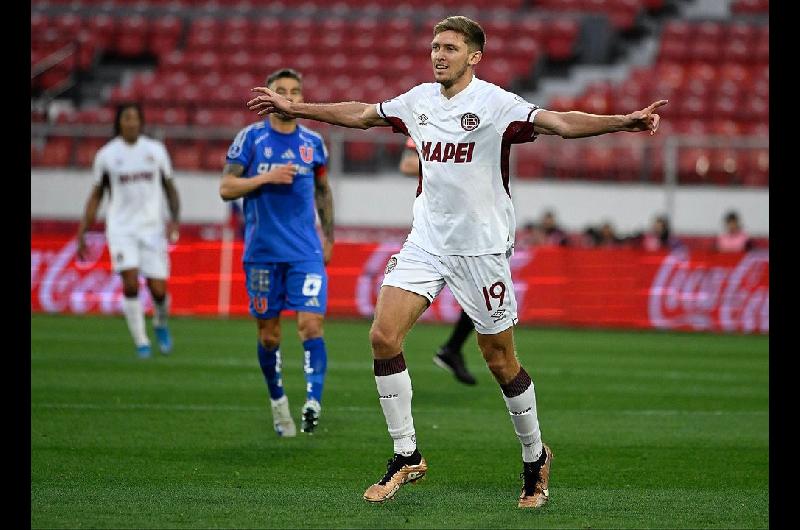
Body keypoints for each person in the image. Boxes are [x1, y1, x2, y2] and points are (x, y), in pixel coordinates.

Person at [247, 15, 665, 508]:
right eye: (434, 47)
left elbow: (558, 122)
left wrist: (623, 121)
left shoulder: (496, 104)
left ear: (474, 56)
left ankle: (534, 456)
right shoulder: (418, 100)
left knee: (499, 359)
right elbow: (361, 113)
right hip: (427, 240)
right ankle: (406, 455)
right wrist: (294, 107)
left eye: (449, 47)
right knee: (383, 337)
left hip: (481, 249)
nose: (438, 54)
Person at [220, 68, 334, 437]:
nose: (288, 96)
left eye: (294, 91)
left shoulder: (314, 143)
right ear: (267, 97)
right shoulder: (250, 140)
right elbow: (226, 187)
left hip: (305, 252)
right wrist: (264, 178)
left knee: (311, 325)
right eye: (280, 90)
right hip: (262, 252)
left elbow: (323, 192)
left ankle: (313, 402)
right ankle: (278, 401)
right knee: (269, 336)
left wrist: (328, 237)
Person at [76, 103, 180, 359]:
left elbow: (169, 187)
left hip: (152, 229)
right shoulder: (107, 155)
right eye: (126, 118)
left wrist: (175, 220)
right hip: (121, 229)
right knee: (130, 283)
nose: (131, 122)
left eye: (135, 118)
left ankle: (160, 324)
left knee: (159, 291)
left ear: (142, 122)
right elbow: (97, 194)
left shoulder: (155, 151)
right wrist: (83, 231)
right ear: (119, 123)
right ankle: (141, 341)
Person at [399, 137, 477, 385]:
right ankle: (449, 350)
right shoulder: (428, 124)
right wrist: (449, 168)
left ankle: (452, 349)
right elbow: (408, 165)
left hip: (468, 221)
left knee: (480, 296)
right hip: (436, 227)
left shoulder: (473, 126)